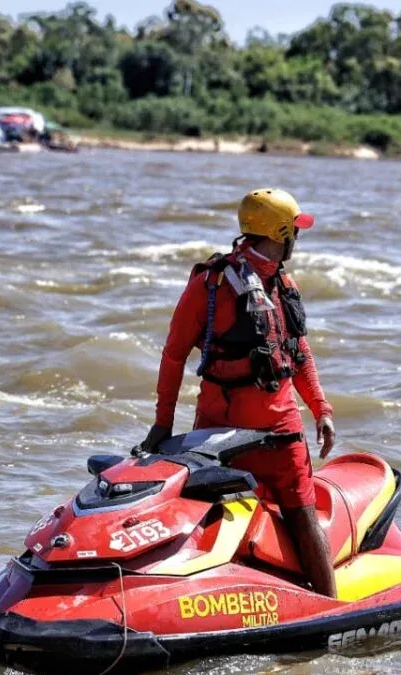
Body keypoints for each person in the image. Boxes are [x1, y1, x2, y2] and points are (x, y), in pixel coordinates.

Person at [140, 188, 338, 598]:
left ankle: (313, 604)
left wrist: (321, 408)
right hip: (260, 431)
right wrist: (318, 409)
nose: (296, 240)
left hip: (221, 433)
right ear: (280, 232)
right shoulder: (221, 284)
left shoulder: (227, 283)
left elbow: (295, 351)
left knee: (207, 514)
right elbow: (295, 353)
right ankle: (330, 603)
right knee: (302, 515)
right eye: (294, 231)